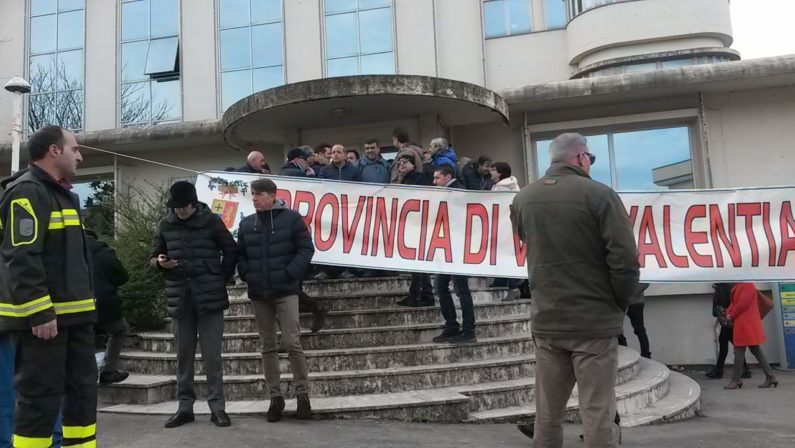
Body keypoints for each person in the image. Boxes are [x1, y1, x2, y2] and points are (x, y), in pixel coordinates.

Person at [511, 132, 639, 447]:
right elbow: (625, 261)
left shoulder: (523, 199)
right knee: (597, 412)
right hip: (593, 321)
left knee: (547, 413)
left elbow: (531, 244)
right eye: (590, 159)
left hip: (547, 320)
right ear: (581, 157)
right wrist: (618, 304)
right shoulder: (600, 195)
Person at [0, 125, 98, 448]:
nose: (80, 156)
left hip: (76, 318)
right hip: (46, 323)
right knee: (39, 403)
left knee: (82, 399)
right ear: (54, 151)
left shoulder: (64, 195)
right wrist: (40, 311)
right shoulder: (27, 192)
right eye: (75, 149)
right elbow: (22, 257)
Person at [149, 181, 238, 428]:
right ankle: (184, 408)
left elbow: (231, 250)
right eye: (175, 207)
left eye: (183, 207)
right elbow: (153, 256)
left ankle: (217, 408)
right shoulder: (165, 224)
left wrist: (220, 278)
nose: (179, 211)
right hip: (180, 297)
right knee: (183, 355)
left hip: (210, 297)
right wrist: (159, 262)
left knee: (213, 356)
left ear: (193, 202)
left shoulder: (212, 221)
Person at [237, 178, 315, 422]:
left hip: (286, 292)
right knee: (267, 346)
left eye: (259, 194)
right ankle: (275, 398)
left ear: (273, 195)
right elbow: (242, 256)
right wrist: (247, 274)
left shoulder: (292, 219)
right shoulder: (247, 224)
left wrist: (290, 273)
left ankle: (303, 396)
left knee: (292, 343)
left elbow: (306, 249)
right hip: (259, 294)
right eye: (253, 194)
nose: (255, 198)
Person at [429, 164, 476, 343]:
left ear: (447, 177)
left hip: (456, 248)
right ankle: (452, 325)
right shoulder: (450, 193)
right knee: (441, 287)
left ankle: (468, 330)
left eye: (437, 178)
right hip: (448, 248)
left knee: (460, 289)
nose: (434, 182)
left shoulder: (458, 193)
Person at [87, 231, 131, 384]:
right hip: (105, 303)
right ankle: (108, 370)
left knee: (80, 337)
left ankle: (83, 374)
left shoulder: (71, 253)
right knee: (119, 330)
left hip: (77, 305)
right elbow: (123, 277)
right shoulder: (106, 253)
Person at [719, 283, 778, 390]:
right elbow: (735, 303)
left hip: (746, 324)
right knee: (756, 351)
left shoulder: (747, 285)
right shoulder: (740, 285)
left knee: (739, 351)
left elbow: (742, 304)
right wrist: (727, 312)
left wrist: (730, 315)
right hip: (746, 324)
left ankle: (736, 379)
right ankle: (770, 376)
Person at [393, 155, 434, 307]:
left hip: (419, 225)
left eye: (405, 162)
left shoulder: (419, 179)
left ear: (413, 165)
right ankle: (424, 294)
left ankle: (418, 294)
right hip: (412, 225)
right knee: (418, 263)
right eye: (399, 163)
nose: (401, 165)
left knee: (418, 262)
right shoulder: (404, 180)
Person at [488, 162, 523, 301]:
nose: (491, 172)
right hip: (504, 226)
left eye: (494, 170)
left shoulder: (504, 188)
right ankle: (502, 280)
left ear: (500, 173)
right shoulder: (503, 186)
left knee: (506, 255)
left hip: (506, 227)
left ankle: (513, 287)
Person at [705, 283, 752, 380]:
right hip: (731, 321)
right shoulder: (730, 288)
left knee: (727, 343)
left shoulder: (722, 289)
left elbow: (717, 310)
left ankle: (720, 370)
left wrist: (721, 311)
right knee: (731, 343)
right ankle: (744, 369)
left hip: (728, 321)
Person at [617, 283, 652, 359]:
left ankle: (646, 355)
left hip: (635, 303)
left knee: (640, 330)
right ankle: (623, 353)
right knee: (617, 329)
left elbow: (646, 282)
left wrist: (627, 295)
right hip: (623, 303)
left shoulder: (642, 272)